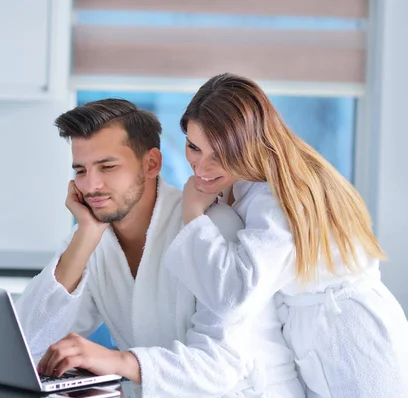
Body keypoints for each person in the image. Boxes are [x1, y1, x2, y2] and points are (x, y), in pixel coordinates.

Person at [15, 99, 304, 397]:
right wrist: (86, 233)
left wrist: (118, 361)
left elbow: (221, 368)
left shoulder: (213, 227)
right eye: (81, 171)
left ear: (151, 163)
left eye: (107, 167)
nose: (91, 186)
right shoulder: (93, 239)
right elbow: (26, 343)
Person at [165, 73, 408, 397]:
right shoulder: (251, 177)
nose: (201, 168)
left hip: (356, 342)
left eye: (220, 155)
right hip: (314, 336)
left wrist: (194, 217)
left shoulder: (275, 196)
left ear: (247, 145)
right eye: (194, 147)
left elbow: (235, 295)